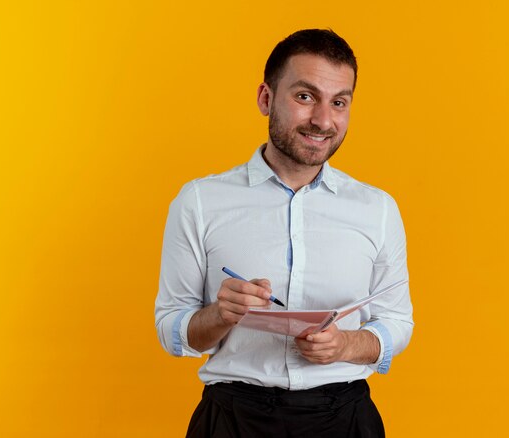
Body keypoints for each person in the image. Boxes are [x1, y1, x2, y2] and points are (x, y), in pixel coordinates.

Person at [155, 28, 414, 437]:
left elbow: (397, 322)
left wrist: (345, 346)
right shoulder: (199, 201)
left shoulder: (377, 209)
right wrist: (219, 315)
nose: (323, 120)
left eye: (339, 102)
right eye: (305, 96)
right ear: (266, 98)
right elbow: (172, 328)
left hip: (344, 419)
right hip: (233, 421)